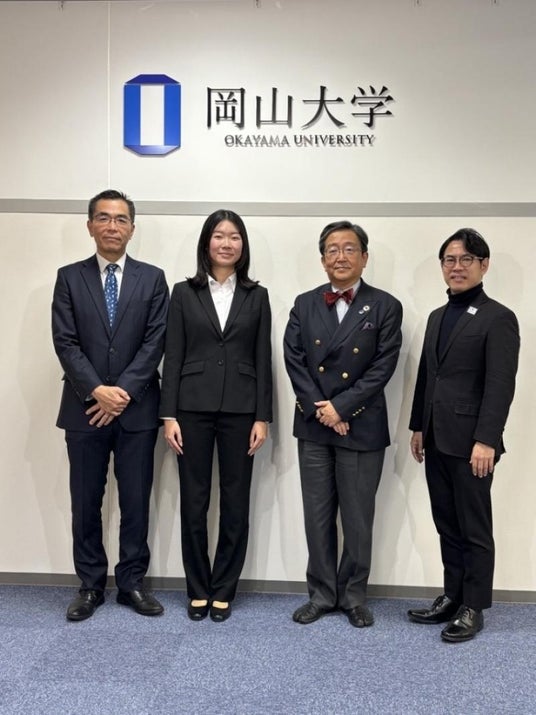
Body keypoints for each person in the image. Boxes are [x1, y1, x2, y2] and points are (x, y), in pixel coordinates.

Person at [52, 189, 169, 621]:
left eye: (120, 219)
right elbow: (65, 341)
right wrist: (97, 390)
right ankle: (90, 585)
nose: (112, 226)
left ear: (132, 228)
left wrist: (121, 393)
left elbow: (156, 340)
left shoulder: (153, 279)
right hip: (84, 408)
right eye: (103, 218)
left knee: (136, 501)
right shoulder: (69, 277)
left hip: (137, 410)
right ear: (90, 226)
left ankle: (132, 583)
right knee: (86, 501)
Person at [283, 221, 402, 628]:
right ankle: (321, 594)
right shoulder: (304, 303)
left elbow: (382, 366)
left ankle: (353, 596)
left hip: (362, 425)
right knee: (316, 516)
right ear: (322, 260)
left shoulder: (385, 305)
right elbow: (294, 359)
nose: (340, 256)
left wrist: (342, 408)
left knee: (357, 517)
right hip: (315, 424)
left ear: (364, 257)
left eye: (349, 248)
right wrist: (324, 411)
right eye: (332, 249)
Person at [407, 228, 519, 642]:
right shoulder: (437, 316)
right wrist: (418, 426)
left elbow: (500, 384)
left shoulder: (498, 317)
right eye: (450, 260)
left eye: (466, 259)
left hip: (473, 443)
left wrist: (487, 439)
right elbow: (427, 376)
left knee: (474, 527)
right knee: (446, 523)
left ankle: (475, 605)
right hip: (436, 438)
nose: (457, 267)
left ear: (483, 265)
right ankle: (453, 596)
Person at [160, 209, 272, 622]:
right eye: (219, 235)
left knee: (236, 503)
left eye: (235, 236)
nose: (227, 243)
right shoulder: (183, 292)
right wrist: (168, 415)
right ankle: (197, 588)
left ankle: (224, 588)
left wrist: (263, 417)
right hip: (190, 410)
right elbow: (173, 355)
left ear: (243, 245)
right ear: (206, 242)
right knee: (194, 502)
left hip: (242, 411)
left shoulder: (257, 295)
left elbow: (262, 357)